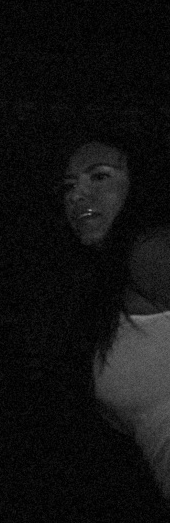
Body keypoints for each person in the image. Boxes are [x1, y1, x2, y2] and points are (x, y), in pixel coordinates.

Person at [61, 133, 170, 497]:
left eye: (100, 176)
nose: (76, 195)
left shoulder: (149, 252)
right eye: (69, 186)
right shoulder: (104, 289)